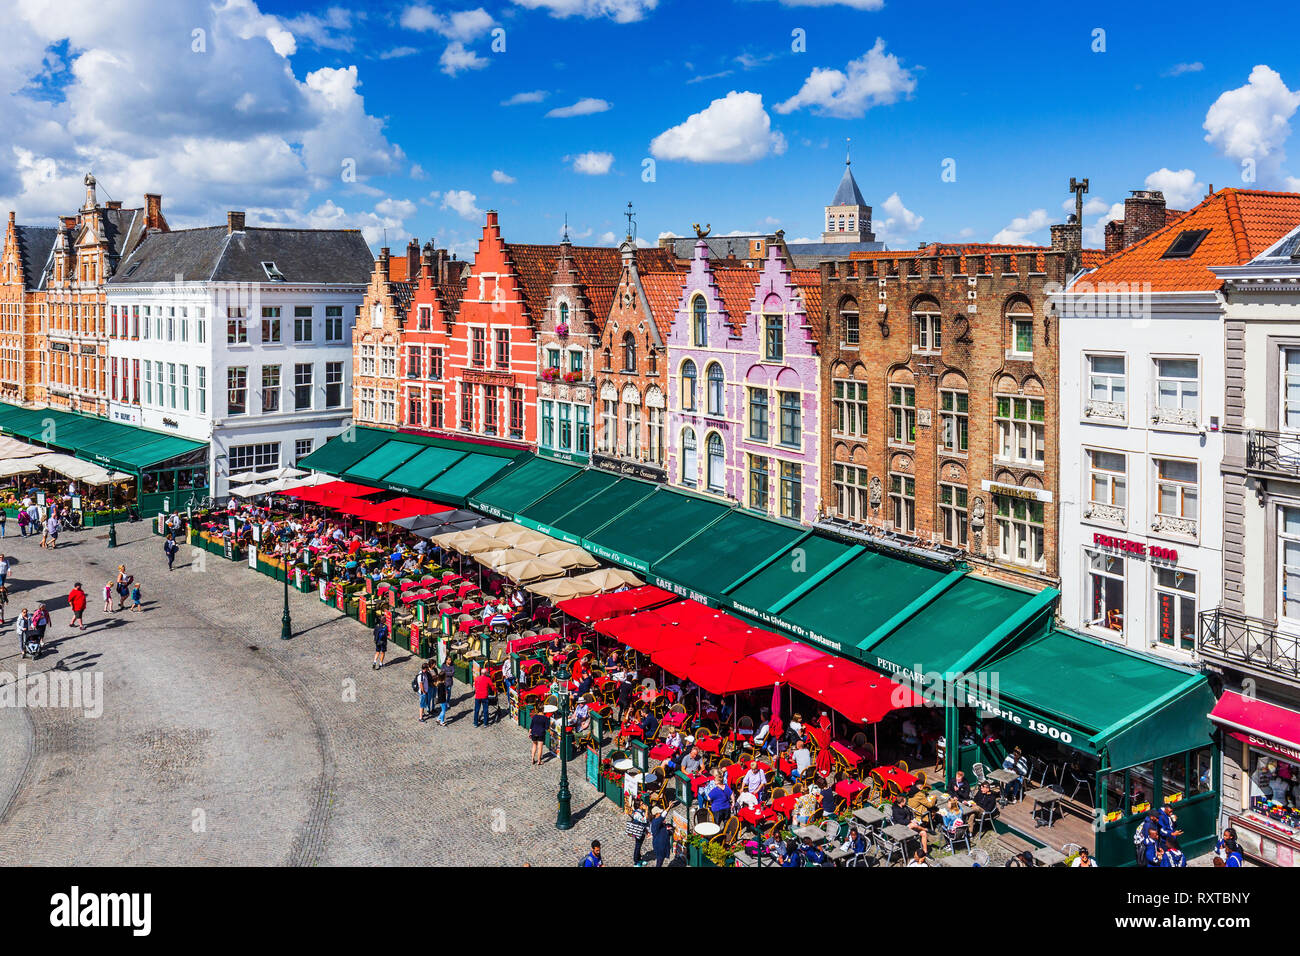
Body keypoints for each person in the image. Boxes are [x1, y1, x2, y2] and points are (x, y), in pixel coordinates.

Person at [626, 801, 649, 866]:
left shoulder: (641, 811)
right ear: (639, 806)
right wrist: (647, 810)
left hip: (642, 831)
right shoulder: (637, 814)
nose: (644, 804)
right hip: (638, 832)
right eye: (642, 804)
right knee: (637, 846)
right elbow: (644, 820)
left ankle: (639, 858)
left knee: (639, 845)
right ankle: (636, 861)